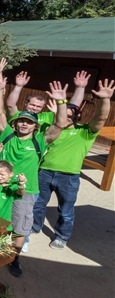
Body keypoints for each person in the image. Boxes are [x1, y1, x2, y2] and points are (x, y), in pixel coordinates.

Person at [0, 72, 68, 277]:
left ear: (36, 126)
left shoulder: (40, 140)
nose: (24, 124)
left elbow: (60, 124)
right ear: (16, 123)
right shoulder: (7, 134)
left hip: (26, 191)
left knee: (20, 228)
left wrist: (62, 101)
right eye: (22, 121)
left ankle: (14, 258)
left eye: (29, 122)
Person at [32, 78, 113, 250]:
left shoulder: (85, 132)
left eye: (71, 116)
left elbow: (101, 117)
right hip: (44, 172)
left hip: (68, 177)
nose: (67, 118)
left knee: (66, 211)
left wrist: (105, 99)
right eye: (65, 115)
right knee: (38, 203)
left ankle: (61, 236)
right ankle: (34, 227)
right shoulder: (53, 129)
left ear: (77, 117)